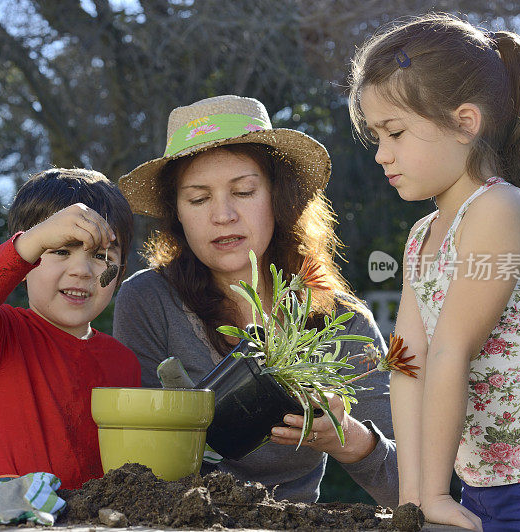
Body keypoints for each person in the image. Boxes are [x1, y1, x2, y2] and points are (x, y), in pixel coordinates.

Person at [348, 13, 520, 531]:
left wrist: (434, 491)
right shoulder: (421, 235)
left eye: (395, 132)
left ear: (464, 122)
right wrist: (414, 497)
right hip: (477, 487)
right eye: (376, 137)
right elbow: (406, 362)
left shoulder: (502, 209)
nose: (382, 155)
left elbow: (451, 349)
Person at [113, 94, 398, 505]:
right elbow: (133, 465)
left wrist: (348, 437)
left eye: (244, 191)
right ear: (177, 214)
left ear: (279, 198)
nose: (223, 214)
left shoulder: (343, 320)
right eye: (198, 198)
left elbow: (412, 486)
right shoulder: (148, 300)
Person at [0, 168, 141, 490]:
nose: (81, 270)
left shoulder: (124, 362)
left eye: (102, 256)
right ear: (25, 264)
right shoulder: (2, 335)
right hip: (15, 520)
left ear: (121, 270)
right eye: (60, 250)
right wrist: (31, 241)